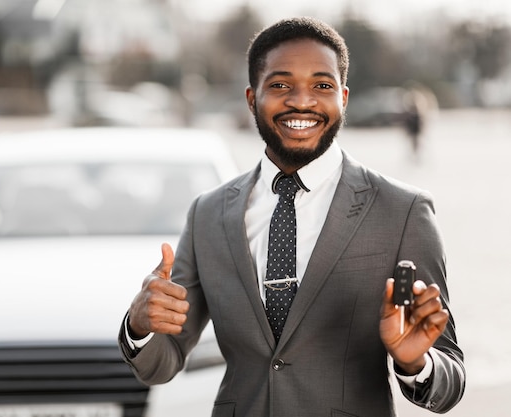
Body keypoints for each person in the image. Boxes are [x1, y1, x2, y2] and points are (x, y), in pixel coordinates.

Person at [118, 17, 465, 416]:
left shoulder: (403, 210)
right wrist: (140, 327)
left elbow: (449, 377)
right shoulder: (208, 214)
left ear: (344, 98)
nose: (302, 101)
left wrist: (415, 363)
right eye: (281, 84)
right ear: (252, 98)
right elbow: (163, 362)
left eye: (322, 85)